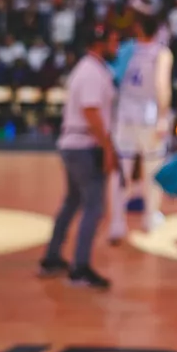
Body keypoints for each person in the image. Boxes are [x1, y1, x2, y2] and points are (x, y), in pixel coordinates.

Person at [39, 24, 120, 289]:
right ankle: (80, 268)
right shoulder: (92, 72)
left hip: (75, 143)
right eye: (113, 40)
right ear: (100, 43)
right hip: (85, 145)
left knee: (72, 201)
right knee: (94, 207)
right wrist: (108, 147)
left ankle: (52, 258)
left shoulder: (88, 69)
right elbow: (91, 111)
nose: (116, 47)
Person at [108, 10, 173, 242]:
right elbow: (161, 85)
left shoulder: (126, 49)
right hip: (149, 116)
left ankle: (117, 223)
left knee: (121, 171)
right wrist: (164, 117)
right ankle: (149, 218)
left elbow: (111, 79)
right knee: (152, 168)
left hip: (124, 116)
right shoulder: (161, 53)